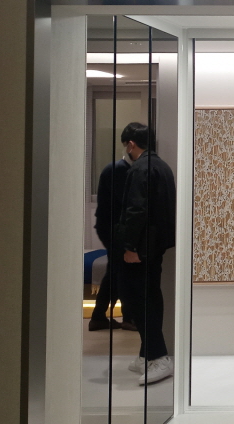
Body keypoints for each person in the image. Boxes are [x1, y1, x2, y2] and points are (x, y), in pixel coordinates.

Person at [115, 125, 177, 385]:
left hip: (140, 247)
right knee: (151, 296)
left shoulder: (140, 169)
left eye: (125, 145)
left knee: (138, 300)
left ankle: (158, 356)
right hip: (156, 246)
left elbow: (136, 210)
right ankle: (146, 354)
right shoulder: (163, 167)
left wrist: (130, 247)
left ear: (131, 144)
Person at [88, 122, 145, 332]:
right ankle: (126, 317)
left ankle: (99, 316)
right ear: (130, 145)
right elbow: (124, 205)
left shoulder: (119, 169)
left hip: (114, 229)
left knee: (116, 272)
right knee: (122, 273)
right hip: (114, 230)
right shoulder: (118, 170)